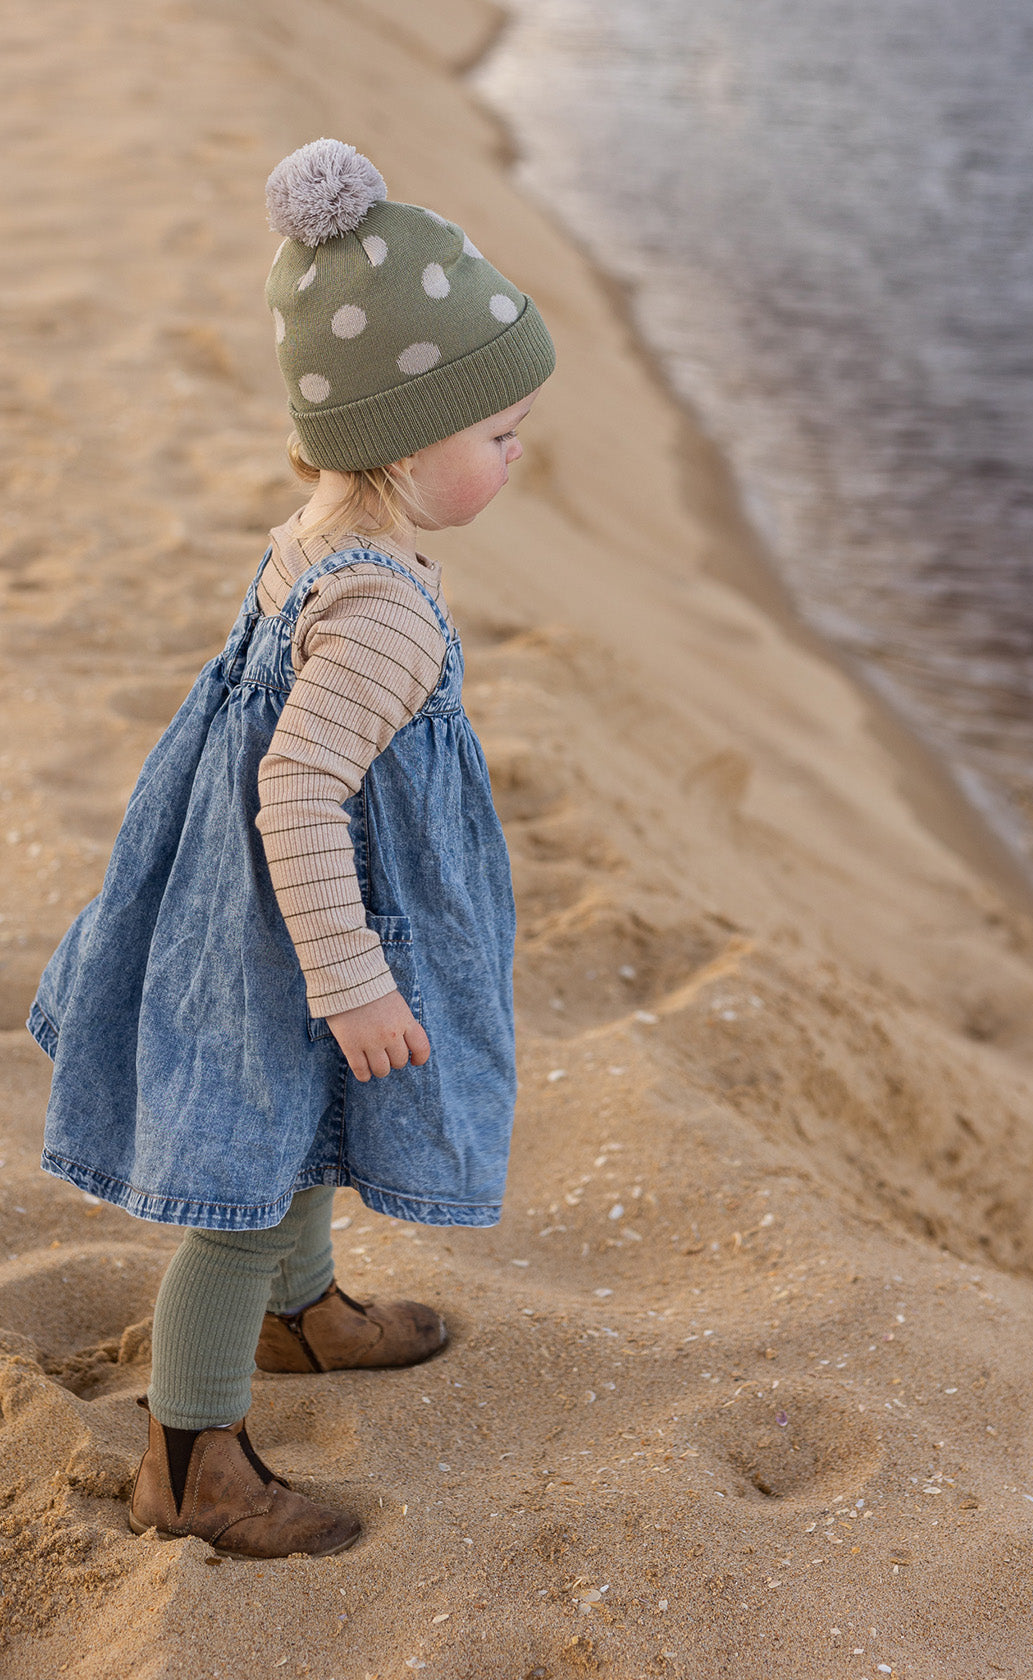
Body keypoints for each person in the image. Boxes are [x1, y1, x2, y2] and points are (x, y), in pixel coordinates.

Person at [27, 138, 555, 1559]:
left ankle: (301, 1318)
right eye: (497, 433)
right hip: (302, 921)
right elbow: (298, 792)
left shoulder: (318, 530)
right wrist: (352, 976)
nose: (519, 451)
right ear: (402, 439)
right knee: (239, 1192)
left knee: (298, 1129)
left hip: (251, 907)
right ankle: (191, 1460)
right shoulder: (384, 610)